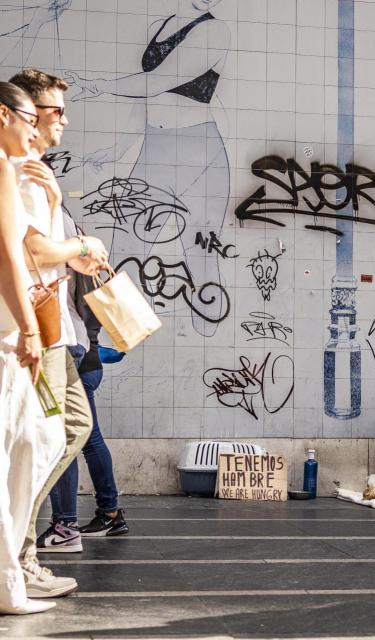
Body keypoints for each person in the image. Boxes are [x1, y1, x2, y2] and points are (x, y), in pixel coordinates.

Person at [65, 0, 231, 336]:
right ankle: (116, 336)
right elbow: (146, 99)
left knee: (199, 254)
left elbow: (155, 82)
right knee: (126, 247)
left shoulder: (215, 31)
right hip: (156, 149)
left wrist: (96, 84)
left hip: (199, 154)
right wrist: (118, 148)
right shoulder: (161, 25)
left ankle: (206, 341)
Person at [9, 69, 107, 597]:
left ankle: (19, 547)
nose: (63, 121)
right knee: (50, 436)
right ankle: (18, 553)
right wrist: (82, 246)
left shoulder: (39, 174)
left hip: (53, 327)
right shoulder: (25, 173)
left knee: (69, 428)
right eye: (54, 112)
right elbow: (31, 250)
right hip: (37, 328)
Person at [0, 80, 64, 614]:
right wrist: (29, 329)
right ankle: (9, 582)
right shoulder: (6, 167)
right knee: (24, 448)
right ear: (5, 115)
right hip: (7, 336)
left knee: (35, 440)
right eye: (30, 118)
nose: (36, 129)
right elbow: (10, 256)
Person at [47, 246, 127, 539]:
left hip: (80, 364)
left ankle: (81, 520)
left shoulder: (68, 276)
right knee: (90, 440)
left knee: (76, 440)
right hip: (91, 363)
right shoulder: (88, 277)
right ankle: (110, 513)